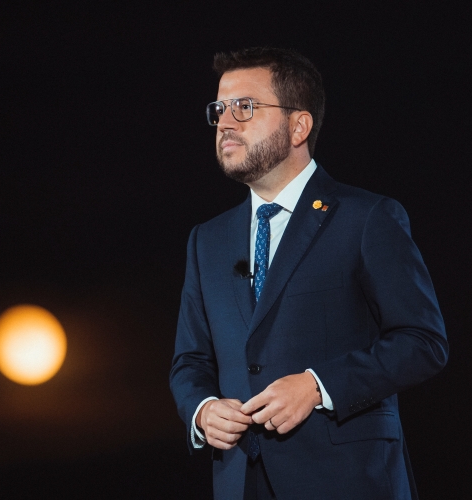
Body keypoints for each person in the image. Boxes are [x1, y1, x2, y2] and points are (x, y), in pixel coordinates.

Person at [170, 47, 448, 500]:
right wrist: (202, 411)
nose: (226, 122)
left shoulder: (367, 218)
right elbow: (191, 362)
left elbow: (423, 342)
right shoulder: (207, 240)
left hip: (347, 481)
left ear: (299, 125)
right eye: (220, 109)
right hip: (240, 482)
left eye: (245, 107)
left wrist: (319, 387)